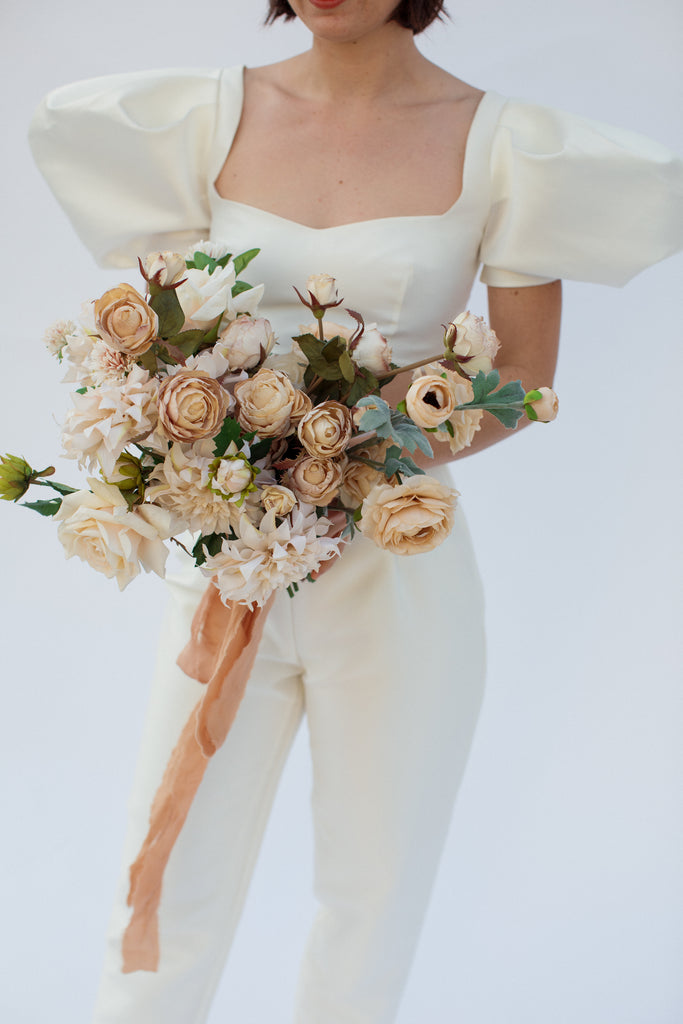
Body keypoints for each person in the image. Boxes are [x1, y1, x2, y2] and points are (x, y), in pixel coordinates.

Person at [28, 1, 683, 1021]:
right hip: (228, 562)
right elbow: (162, 331)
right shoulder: (201, 116)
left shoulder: (505, 145)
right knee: (166, 866)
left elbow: (521, 375)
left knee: (371, 897)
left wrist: (345, 459)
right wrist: (212, 450)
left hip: (395, 572)